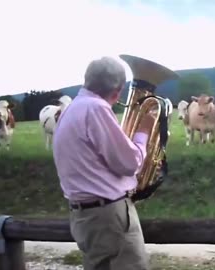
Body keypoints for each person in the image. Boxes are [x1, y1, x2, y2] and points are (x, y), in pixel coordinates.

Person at [52, 56, 155, 270]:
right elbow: (129, 163)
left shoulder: (71, 109)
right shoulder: (96, 109)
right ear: (117, 92)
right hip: (108, 215)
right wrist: (143, 132)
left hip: (85, 215)